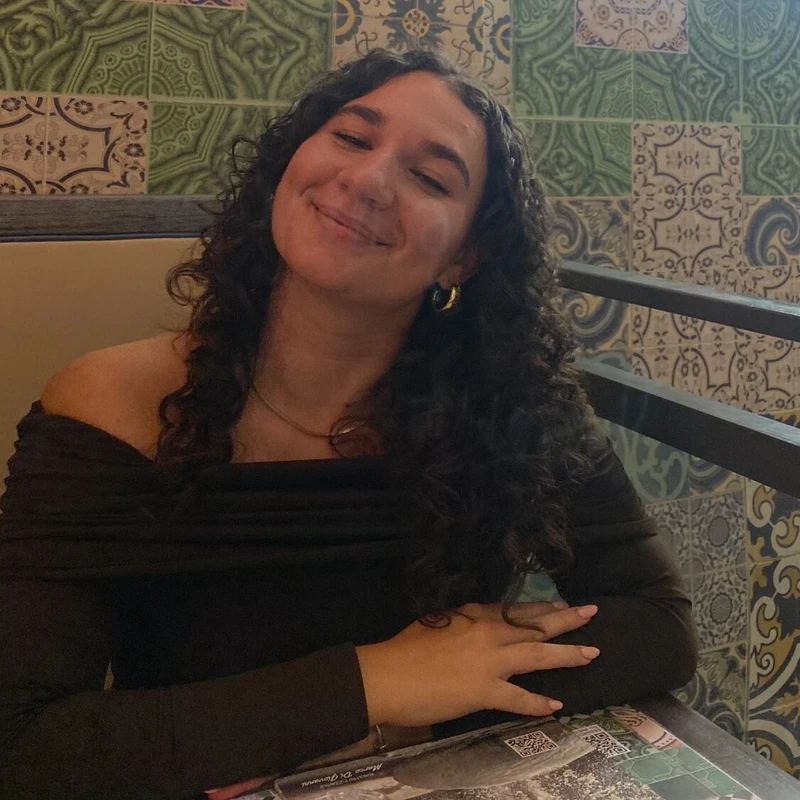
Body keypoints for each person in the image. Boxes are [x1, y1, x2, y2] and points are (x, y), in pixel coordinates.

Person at [0, 48, 697, 800]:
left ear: (462, 258)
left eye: (430, 178)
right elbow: (24, 743)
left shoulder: (515, 407)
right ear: (290, 164)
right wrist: (375, 684)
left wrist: (446, 690)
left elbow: (658, 627)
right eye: (352, 137)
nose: (367, 180)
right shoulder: (114, 403)